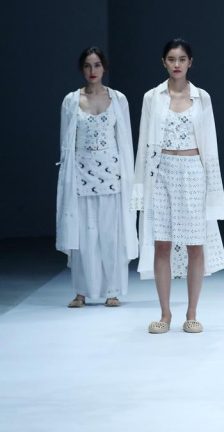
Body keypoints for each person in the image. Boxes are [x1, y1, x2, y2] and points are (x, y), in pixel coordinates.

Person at [132, 38, 224, 334]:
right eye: (171, 59)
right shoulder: (152, 97)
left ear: (190, 63)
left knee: (195, 244)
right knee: (161, 243)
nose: (176, 64)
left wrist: (213, 187)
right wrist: (140, 188)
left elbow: (210, 145)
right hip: (160, 172)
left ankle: (192, 313)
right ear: (164, 62)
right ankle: (165, 314)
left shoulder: (202, 98)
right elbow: (144, 144)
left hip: (193, 172)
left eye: (182, 59)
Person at [56, 47, 138, 308]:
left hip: (112, 177)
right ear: (82, 69)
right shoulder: (71, 101)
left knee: (110, 235)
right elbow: (66, 143)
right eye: (88, 65)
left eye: (97, 65)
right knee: (84, 235)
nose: (93, 71)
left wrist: (129, 179)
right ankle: (81, 291)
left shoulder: (118, 99)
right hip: (81, 177)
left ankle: (112, 290)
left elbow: (125, 142)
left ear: (104, 67)